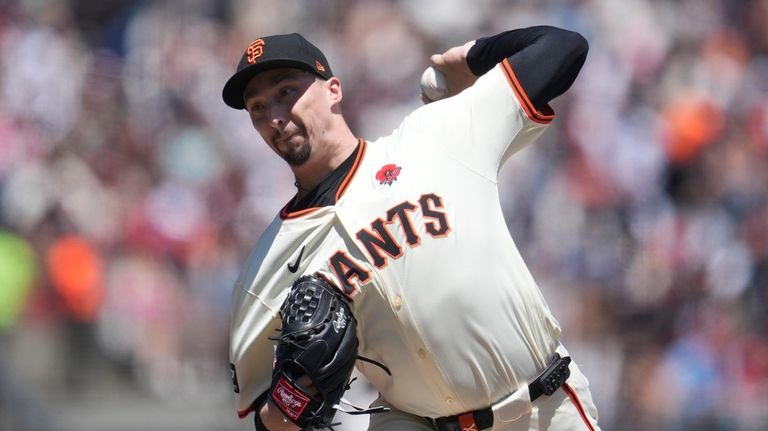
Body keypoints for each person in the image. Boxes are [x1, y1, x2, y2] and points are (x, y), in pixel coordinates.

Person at [223, 26, 598, 431]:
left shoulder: (434, 136)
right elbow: (267, 416)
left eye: (285, 92)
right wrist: (289, 401)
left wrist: (472, 58)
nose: (275, 117)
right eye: (257, 108)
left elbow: (564, 48)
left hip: (543, 409)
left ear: (333, 89)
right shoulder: (265, 267)